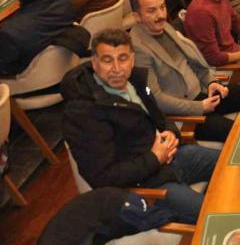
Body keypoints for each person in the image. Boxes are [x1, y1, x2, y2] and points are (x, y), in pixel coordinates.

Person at [60, 29, 220, 223]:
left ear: (132, 59)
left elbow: (160, 116)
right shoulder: (82, 112)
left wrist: (170, 132)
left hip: (172, 159)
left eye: (123, 58)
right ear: (94, 63)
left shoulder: (137, 82)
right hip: (148, 186)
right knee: (216, 216)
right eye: (107, 60)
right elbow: (102, 177)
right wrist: (155, 158)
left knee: (234, 163)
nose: (117, 68)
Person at [130, 0, 240, 141]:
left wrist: (211, 82)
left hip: (204, 93)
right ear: (137, 16)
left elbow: (194, 63)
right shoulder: (138, 50)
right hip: (187, 112)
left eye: (163, 7)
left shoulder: (166, 28)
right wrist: (199, 107)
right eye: (151, 11)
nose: (161, 15)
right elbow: (155, 98)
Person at [0, 0, 80, 76]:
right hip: (62, 63)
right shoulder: (63, 2)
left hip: (26, 74)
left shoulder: (10, 31)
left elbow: (5, 64)